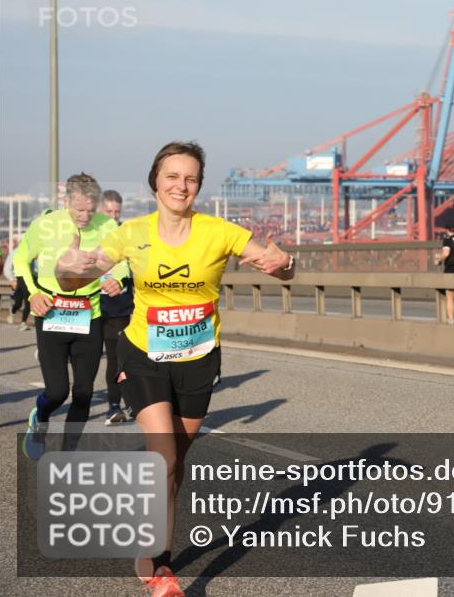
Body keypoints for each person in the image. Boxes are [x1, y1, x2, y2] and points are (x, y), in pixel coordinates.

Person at [56, 141, 295, 597]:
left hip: (198, 359)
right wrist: (67, 271)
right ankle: (161, 563)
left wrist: (286, 265)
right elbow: (83, 273)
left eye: (190, 178)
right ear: (155, 182)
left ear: (198, 186)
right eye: (172, 176)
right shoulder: (132, 233)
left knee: (176, 462)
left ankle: (152, 517)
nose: (180, 185)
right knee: (164, 455)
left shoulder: (219, 232)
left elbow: (280, 269)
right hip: (143, 354)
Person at [15, 174, 124, 459]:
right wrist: (33, 294)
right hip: (52, 312)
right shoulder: (46, 226)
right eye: (79, 210)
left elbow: (124, 262)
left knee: (84, 393)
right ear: (66, 202)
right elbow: (21, 259)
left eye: (91, 209)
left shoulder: (108, 226)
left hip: (89, 316)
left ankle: (67, 455)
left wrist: (117, 280)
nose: (86, 216)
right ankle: (40, 417)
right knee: (57, 392)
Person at [98, 189, 135, 425]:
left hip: (118, 307)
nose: (113, 216)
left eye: (117, 212)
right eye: (108, 211)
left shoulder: (127, 235)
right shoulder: (90, 234)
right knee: (88, 360)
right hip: (90, 306)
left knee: (116, 358)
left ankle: (115, 406)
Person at [4, 236, 32, 330]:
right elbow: (7, 268)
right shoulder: (15, 252)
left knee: (28, 302)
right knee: (18, 303)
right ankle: (12, 310)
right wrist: (12, 280)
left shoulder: (33, 253)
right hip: (18, 281)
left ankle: (23, 323)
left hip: (29, 281)